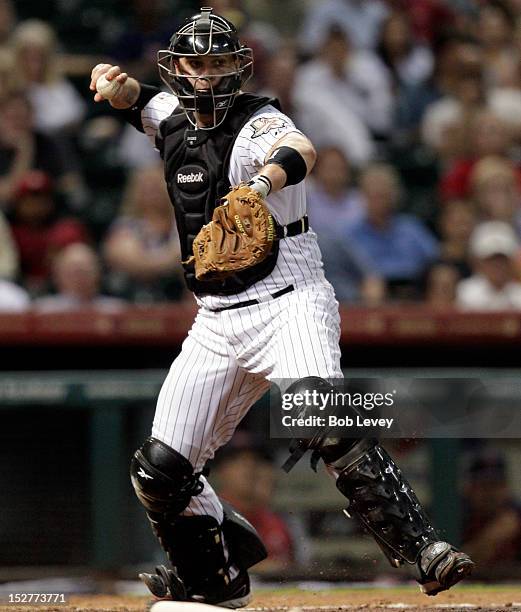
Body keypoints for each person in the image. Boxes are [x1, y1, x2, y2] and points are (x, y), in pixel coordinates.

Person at [89, 8, 474, 607]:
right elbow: (145, 101)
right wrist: (116, 86)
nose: (209, 77)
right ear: (180, 70)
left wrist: (261, 185)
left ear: (238, 68)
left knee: (321, 416)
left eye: (220, 64)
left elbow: (302, 148)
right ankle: (217, 579)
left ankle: (423, 550)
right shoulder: (170, 115)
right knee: (158, 471)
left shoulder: (259, 121)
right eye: (198, 64)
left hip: (289, 299)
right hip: (215, 320)